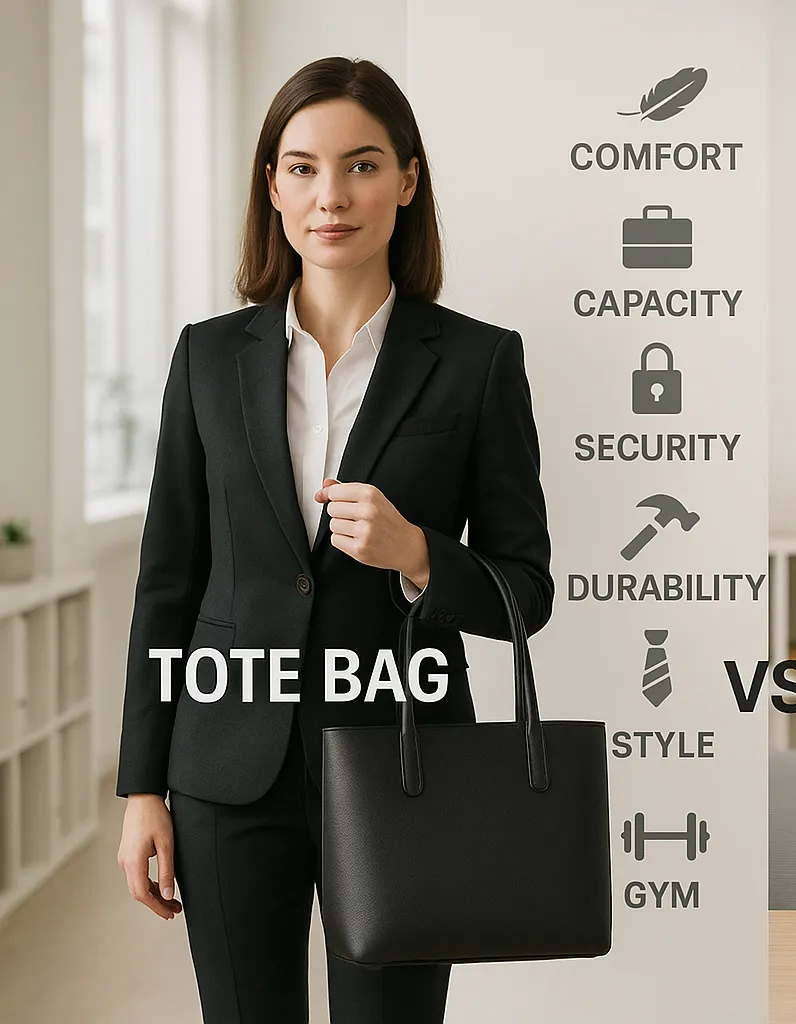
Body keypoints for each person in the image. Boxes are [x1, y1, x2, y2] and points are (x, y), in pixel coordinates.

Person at [113, 56, 554, 1021]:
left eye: (361, 165)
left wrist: (419, 556)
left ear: (407, 179)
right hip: (229, 768)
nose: (331, 196)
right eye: (302, 167)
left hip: (402, 768)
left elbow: (527, 591)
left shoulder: (480, 362)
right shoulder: (207, 357)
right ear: (272, 187)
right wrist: (142, 788)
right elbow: (167, 583)